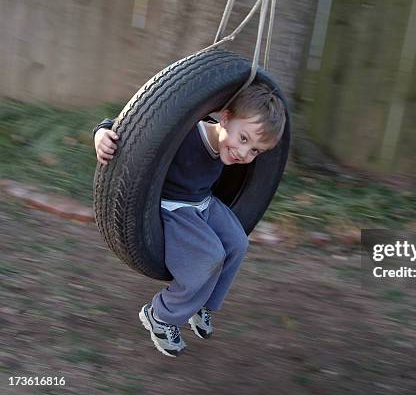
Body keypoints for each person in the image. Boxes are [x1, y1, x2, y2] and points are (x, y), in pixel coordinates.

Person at [93, 83, 286, 357]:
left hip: (203, 202)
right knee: (210, 257)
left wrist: (243, 144)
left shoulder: (227, 147)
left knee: (238, 244)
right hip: (173, 208)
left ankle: (203, 304)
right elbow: (132, 126)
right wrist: (101, 132)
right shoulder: (185, 131)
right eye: (244, 139)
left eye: (255, 151)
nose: (244, 154)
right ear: (225, 118)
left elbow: (238, 155)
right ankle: (161, 314)